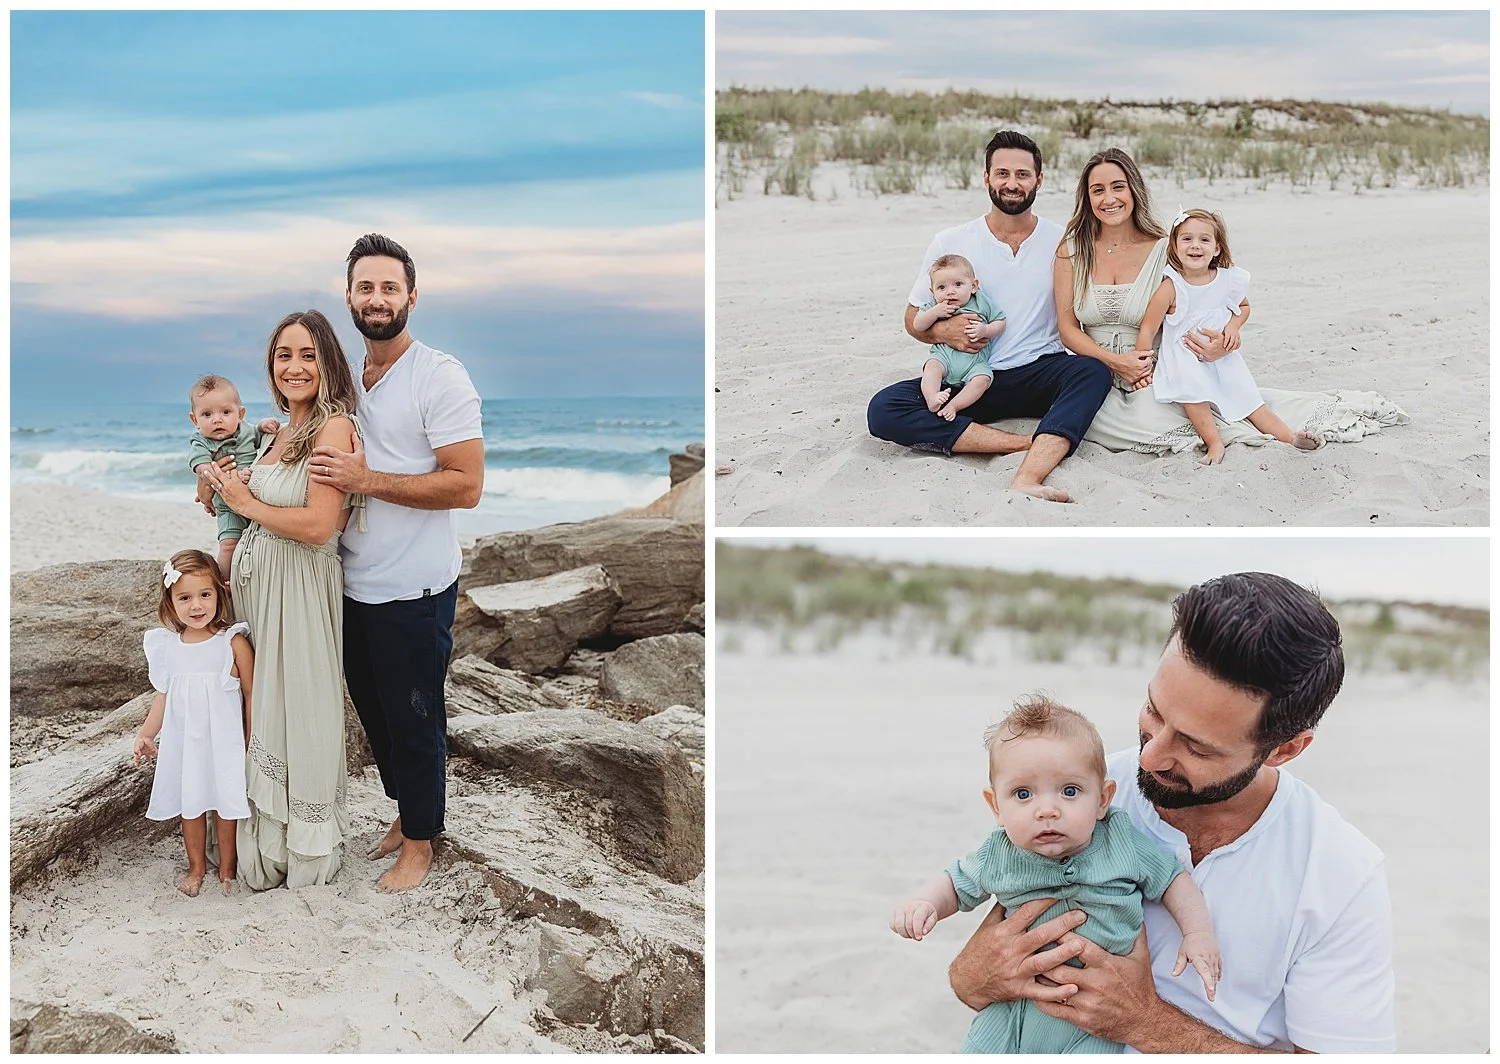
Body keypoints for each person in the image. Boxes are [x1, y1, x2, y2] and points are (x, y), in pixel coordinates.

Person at [945, 573, 1396, 1053]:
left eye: (1196, 747)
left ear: (1285, 749)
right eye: (1154, 711)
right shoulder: (1073, 791)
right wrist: (977, 973)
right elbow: (971, 981)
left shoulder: (1340, 873)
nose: (1149, 757)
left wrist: (1146, 1023)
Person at [891, 695, 1219, 1053]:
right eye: (1023, 794)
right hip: (1012, 1013)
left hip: (1092, 1024)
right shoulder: (1000, 852)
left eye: (1069, 791)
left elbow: (1172, 879)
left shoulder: (1121, 840)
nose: (1047, 810)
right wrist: (926, 903)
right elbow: (955, 883)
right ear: (995, 807)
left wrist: (1197, 932)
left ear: (1103, 800)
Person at [310, 233, 484, 893]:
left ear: (412, 296)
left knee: (415, 717)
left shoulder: (440, 376)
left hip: (415, 587)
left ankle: (421, 841)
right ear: (349, 297)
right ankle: (407, 813)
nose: (376, 299)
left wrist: (368, 479)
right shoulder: (348, 379)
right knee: (377, 715)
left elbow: (465, 485)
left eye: (389, 287)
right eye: (365, 287)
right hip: (352, 582)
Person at [1057, 148, 1408, 456]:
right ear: (1086, 197)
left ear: (1134, 190)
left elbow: (1211, 299)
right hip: (1095, 370)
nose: (1109, 198)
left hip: (1158, 369)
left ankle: (1277, 433)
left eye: (1118, 186)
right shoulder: (1071, 249)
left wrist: (1222, 342)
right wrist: (1116, 363)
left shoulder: (1170, 247)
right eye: (1097, 190)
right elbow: (1067, 327)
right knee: (1094, 419)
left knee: (1203, 408)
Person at [867, 130, 1112, 503]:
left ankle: (1038, 448)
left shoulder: (1063, 240)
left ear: (1039, 180)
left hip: (1041, 371)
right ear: (986, 178)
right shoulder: (952, 240)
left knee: (1092, 371)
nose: (1011, 184)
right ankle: (1024, 443)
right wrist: (948, 333)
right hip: (972, 376)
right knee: (884, 409)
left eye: (1022, 175)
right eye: (1002, 174)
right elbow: (912, 316)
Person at [204, 309, 361, 891]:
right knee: (262, 706)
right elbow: (239, 499)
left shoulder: (333, 429)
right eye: (283, 355)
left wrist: (245, 505)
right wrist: (220, 490)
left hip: (299, 590)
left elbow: (321, 525)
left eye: (307, 355)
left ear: (328, 363)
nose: (294, 367)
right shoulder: (271, 435)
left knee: (302, 706)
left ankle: (306, 847)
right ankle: (266, 840)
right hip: (259, 592)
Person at [1141, 208, 1321, 464]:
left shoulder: (1227, 280)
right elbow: (1148, 327)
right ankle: (1215, 443)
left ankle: (1289, 437)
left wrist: (1233, 328)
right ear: (1175, 246)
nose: (1195, 246)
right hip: (1184, 358)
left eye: (1204, 240)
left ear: (1216, 248)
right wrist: (1142, 366)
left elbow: (1243, 307)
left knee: (1248, 398)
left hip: (1222, 356)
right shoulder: (1171, 286)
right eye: (1187, 239)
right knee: (1193, 395)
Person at [133, 549, 253, 897]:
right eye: (184, 597)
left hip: (225, 740)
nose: (196, 606)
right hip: (185, 742)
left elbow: (251, 692)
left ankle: (227, 869)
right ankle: (196, 866)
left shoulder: (232, 641)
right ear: (170, 601)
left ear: (220, 593)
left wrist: (250, 736)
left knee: (227, 804)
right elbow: (164, 696)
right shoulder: (168, 647)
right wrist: (146, 733)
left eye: (205, 595)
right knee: (192, 806)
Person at [186, 375, 277, 580]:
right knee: (228, 544)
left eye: (226, 412)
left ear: (240, 414)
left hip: (257, 498)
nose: (217, 419)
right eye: (207, 414)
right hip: (227, 505)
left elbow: (259, 434)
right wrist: (209, 476)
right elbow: (199, 465)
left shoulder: (246, 430)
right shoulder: (201, 441)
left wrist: (263, 426)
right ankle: (224, 583)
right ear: (195, 420)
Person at [912, 254, 1006, 422]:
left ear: (973, 286)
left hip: (975, 363)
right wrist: (934, 313)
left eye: (958, 284)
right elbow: (918, 325)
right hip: (944, 358)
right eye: (941, 287)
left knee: (982, 380)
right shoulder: (934, 306)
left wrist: (985, 329)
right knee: (932, 368)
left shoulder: (981, 302)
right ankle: (932, 398)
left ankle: (954, 406)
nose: (950, 291)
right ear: (932, 291)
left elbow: (1000, 322)